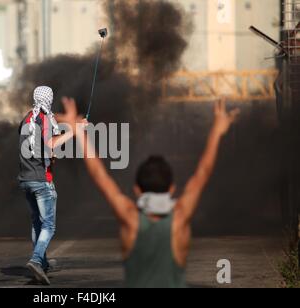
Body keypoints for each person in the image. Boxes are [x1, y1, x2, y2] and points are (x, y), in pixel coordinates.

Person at [58, 97, 239, 288]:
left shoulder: (130, 219)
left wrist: (78, 131)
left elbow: (99, 175)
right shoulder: (179, 219)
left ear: (136, 189)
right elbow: (202, 173)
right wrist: (217, 131)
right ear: (172, 188)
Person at [18, 86, 75, 285]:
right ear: (49, 99)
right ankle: (35, 260)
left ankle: (42, 262)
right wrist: (74, 131)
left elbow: (38, 148)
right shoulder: (43, 118)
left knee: (37, 223)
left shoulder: (27, 118)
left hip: (25, 179)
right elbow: (50, 145)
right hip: (41, 181)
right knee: (48, 226)